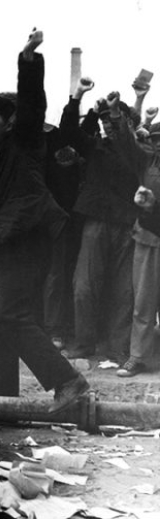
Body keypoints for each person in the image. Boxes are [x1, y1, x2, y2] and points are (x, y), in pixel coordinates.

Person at [0, 29, 88, 412]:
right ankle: (2, 403)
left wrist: (28, 59)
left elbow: (32, 103)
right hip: (2, 243)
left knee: (8, 313)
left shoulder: (23, 140)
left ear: (9, 122)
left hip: (28, 236)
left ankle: (68, 381)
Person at [63, 80, 147, 364]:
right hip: (96, 221)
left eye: (113, 120)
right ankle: (85, 343)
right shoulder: (94, 146)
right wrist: (79, 99)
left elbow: (127, 139)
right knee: (84, 286)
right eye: (104, 121)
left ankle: (117, 348)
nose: (107, 125)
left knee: (124, 291)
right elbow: (69, 133)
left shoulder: (139, 151)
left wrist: (116, 114)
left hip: (127, 224)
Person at [119, 123, 160, 376]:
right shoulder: (146, 162)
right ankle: (139, 357)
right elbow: (125, 143)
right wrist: (114, 115)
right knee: (143, 302)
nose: (158, 144)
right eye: (155, 139)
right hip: (147, 238)